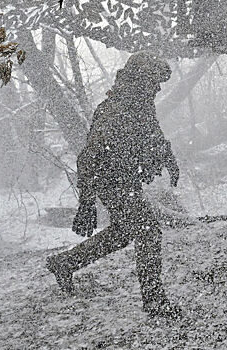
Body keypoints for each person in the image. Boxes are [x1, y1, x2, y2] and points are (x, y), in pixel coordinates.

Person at [47, 51, 181, 318]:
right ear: (141, 80)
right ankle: (154, 301)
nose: (156, 89)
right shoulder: (115, 110)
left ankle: (64, 263)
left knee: (124, 231)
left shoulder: (140, 103)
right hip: (110, 181)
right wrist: (85, 202)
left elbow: (152, 133)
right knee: (148, 232)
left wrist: (168, 157)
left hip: (125, 178)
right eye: (154, 82)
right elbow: (88, 158)